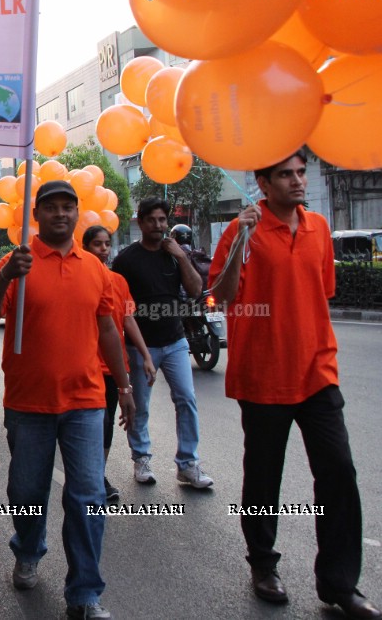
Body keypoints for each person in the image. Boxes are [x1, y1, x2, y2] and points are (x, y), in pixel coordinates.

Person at [209, 152, 380, 618]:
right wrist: (242, 239)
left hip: (317, 373)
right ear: (263, 184)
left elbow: (321, 292)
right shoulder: (240, 230)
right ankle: (263, 564)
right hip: (262, 376)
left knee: (340, 472)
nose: (297, 181)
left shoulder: (319, 228)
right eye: (286, 174)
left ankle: (340, 583)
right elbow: (221, 297)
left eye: (300, 172)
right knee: (264, 479)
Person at [0, 180, 134, 620]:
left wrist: (124, 387)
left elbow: (107, 331)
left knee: (87, 497)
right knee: (27, 491)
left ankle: (84, 594)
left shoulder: (95, 268)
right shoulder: (16, 262)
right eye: (51, 207)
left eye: (69, 207)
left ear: (77, 213)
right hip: (29, 404)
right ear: (36, 215)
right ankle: (28, 548)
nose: (60, 214)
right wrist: (7, 275)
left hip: (85, 401)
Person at [110, 198, 213, 489]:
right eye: (152, 220)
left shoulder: (174, 254)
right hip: (140, 345)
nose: (158, 225)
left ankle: (187, 464)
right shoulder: (126, 259)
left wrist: (181, 256)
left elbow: (195, 290)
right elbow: (118, 304)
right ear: (140, 222)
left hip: (175, 340)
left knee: (186, 400)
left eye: (162, 220)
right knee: (140, 405)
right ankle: (141, 458)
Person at [82, 226, 156, 503]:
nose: (103, 249)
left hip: (114, 367)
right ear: (86, 247)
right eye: (97, 244)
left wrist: (146, 355)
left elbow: (127, 320)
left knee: (108, 422)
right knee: (92, 423)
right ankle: (90, 478)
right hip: (86, 365)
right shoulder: (81, 279)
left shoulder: (119, 282)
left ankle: (97, 476)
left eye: (106, 244)